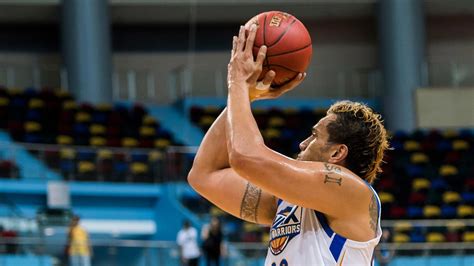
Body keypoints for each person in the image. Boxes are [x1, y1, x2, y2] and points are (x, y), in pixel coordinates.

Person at [187, 23, 390, 265]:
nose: (304, 143)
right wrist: (248, 96)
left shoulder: (352, 191)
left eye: (315, 135)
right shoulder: (285, 203)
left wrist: (238, 84)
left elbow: (246, 158)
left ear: (337, 152)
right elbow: (203, 175)